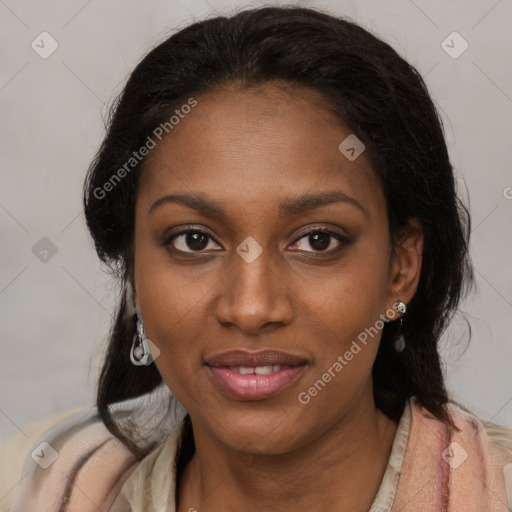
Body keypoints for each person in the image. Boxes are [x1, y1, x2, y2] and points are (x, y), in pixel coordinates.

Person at [8, 5, 512, 512]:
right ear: (134, 271)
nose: (250, 308)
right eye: (194, 240)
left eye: (317, 241)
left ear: (401, 269)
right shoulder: (36, 486)